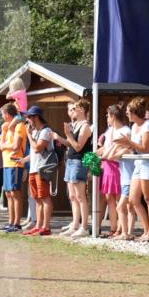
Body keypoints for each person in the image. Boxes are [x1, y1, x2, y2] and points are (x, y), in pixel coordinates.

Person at [114, 97, 149, 241]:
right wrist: (123, 147)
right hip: (139, 162)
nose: (126, 114)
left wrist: (128, 142)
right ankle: (147, 230)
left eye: (128, 111)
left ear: (135, 112)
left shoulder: (148, 125)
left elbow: (146, 148)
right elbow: (136, 148)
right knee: (134, 200)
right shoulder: (134, 127)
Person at [56, 99, 93, 238]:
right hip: (71, 160)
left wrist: (68, 134)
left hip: (79, 161)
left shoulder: (85, 127)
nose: (73, 110)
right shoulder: (76, 124)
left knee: (80, 196)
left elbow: (78, 146)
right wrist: (65, 136)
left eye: (75, 108)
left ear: (82, 110)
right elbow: (71, 144)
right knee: (72, 196)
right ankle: (75, 224)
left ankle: (84, 227)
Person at [21, 105, 55, 236]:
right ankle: (38, 226)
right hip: (33, 169)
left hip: (42, 169)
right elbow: (34, 153)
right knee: (38, 199)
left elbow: (38, 148)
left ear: (36, 117)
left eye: (29, 117)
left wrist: (29, 135)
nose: (27, 119)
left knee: (45, 197)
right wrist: (23, 160)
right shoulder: (35, 132)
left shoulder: (46, 131)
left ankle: (46, 227)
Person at [94, 104, 124, 237]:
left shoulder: (123, 130)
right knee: (109, 197)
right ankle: (113, 227)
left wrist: (103, 154)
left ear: (113, 116)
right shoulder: (109, 130)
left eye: (108, 115)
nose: (106, 117)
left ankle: (121, 228)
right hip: (107, 165)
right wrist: (94, 154)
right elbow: (106, 148)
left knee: (118, 198)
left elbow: (115, 150)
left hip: (116, 165)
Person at [0, 102, 27, 233]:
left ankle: (17, 223)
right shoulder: (8, 127)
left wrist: (4, 146)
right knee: (8, 194)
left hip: (16, 163)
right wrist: (5, 130)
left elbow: (16, 146)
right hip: (6, 163)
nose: (2, 117)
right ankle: (10, 221)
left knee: (15, 193)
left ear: (8, 114)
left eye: (2, 114)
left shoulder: (19, 126)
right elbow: (0, 143)